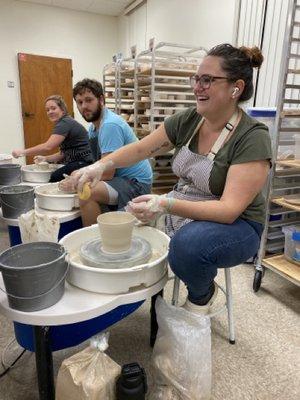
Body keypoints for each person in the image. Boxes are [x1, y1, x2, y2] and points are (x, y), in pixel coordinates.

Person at [71, 44, 272, 314]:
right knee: (126, 219)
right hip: (190, 202)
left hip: (239, 225)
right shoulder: (189, 119)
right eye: (196, 79)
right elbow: (142, 148)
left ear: (235, 88)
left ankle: (203, 294)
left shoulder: (252, 136)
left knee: (187, 245)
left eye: (207, 80)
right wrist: (101, 165)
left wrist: (165, 204)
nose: (197, 87)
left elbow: (228, 210)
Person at [60, 78, 152, 226]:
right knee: (77, 179)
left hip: (136, 184)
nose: (84, 106)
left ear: (101, 99)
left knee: (86, 192)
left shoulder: (110, 125)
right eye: (80, 102)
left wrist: (78, 179)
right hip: (119, 178)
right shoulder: (94, 127)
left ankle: (95, 238)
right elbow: (98, 164)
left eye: (89, 100)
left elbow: (107, 173)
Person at [12, 95, 93, 182]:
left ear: (62, 109)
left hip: (84, 162)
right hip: (78, 161)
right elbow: (63, 154)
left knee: (55, 176)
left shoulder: (65, 123)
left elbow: (47, 147)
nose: (50, 112)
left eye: (53, 108)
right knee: (54, 172)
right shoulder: (64, 122)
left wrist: (22, 152)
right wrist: (46, 159)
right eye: (47, 110)